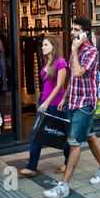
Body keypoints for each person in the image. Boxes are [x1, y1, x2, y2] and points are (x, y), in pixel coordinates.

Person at [43, 17, 100, 198]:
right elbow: (73, 80)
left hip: (85, 104)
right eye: (72, 29)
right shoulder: (76, 50)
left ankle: (63, 187)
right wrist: (65, 97)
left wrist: (74, 52)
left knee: (74, 143)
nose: (72, 32)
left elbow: (78, 72)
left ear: (85, 33)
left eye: (76, 29)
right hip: (74, 101)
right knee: (90, 136)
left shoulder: (91, 52)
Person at [19, 36, 69, 177]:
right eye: (42, 45)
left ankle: (67, 163)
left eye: (45, 44)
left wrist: (47, 103)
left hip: (57, 105)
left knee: (62, 135)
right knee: (37, 134)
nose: (42, 47)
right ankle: (31, 167)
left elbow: (60, 85)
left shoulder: (61, 62)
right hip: (44, 102)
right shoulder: (47, 62)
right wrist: (42, 101)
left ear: (53, 46)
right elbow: (47, 85)